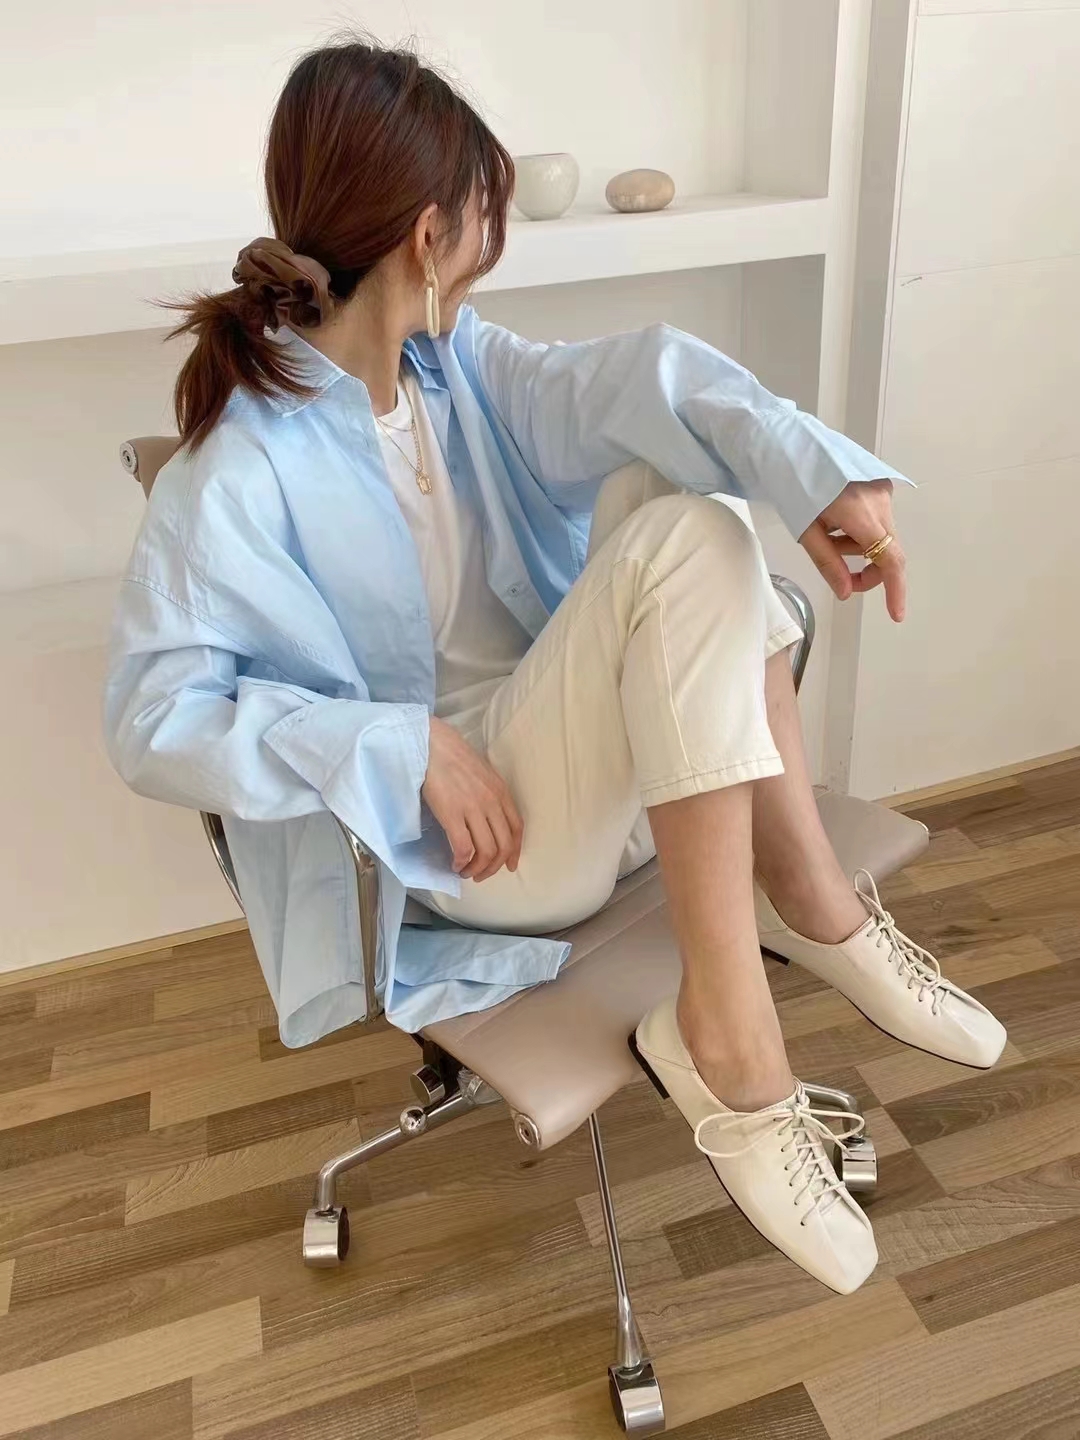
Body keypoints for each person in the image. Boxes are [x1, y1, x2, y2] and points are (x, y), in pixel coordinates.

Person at [103, 37, 1006, 1295]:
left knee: (685, 493)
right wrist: (396, 743)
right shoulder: (240, 464)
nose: (493, 249)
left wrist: (812, 474)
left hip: (596, 788)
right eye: (487, 220)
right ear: (430, 238)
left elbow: (641, 377)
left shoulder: (454, 370)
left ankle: (805, 904)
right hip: (482, 849)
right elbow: (155, 716)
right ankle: (744, 1026)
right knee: (690, 535)